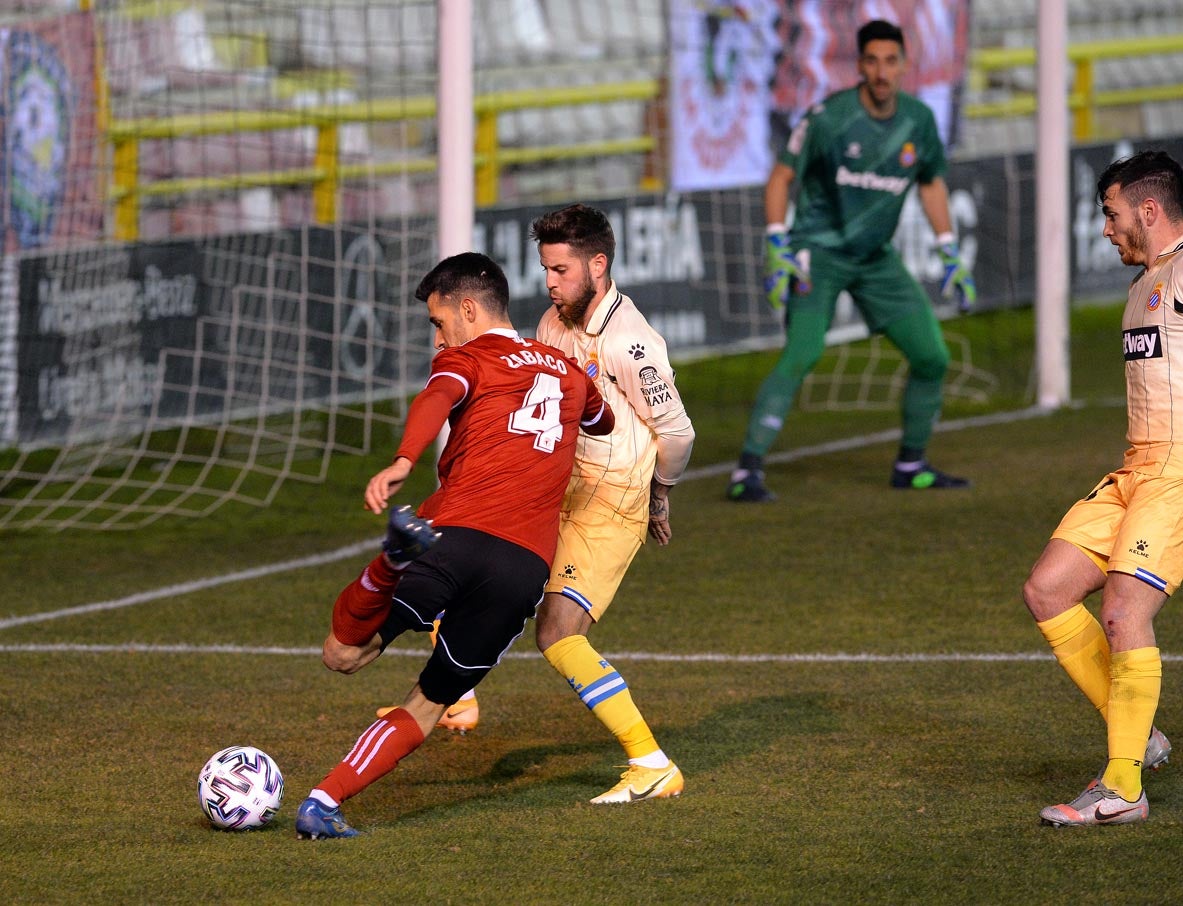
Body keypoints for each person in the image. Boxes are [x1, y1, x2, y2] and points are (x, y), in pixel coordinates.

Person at [294, 251, 614, 839]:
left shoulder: (469, 359)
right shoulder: (568, 372)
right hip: (522, 570)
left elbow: (436, 399)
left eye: (440, 324)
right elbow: (603, 422)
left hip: (455, 536)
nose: (440, 341)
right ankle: (322, 802)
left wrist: (401, 461)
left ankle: (392, 563)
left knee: (344, 653)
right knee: (430, 702)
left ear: (469, 309)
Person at [390, 204, 696, 803]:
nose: (550, 283)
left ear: (598, 265)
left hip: (610, 505)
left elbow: (678, 433)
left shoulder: (632, 343)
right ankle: (454, 700)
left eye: (561, 270)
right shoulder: (554, 324)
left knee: (558, 633)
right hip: (563, 489)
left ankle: (651, 763)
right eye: (546, 269)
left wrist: (660, 497)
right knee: (468, 554)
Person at [727, 18, 975, 503]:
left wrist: (948, 246)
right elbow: (780, 178)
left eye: (890, 61)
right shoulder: (829, 118)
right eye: (872, 61)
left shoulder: (918, 121)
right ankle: (746, 471)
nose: (882, 71)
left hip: (875, 258)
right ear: (859, 65)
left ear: (904, 65)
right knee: (803, 352)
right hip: (817, 253)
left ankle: (910, 464)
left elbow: (929, 182)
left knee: (933, 356)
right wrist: (778, 242)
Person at [1024, 149, 1183, 827]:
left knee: (1123, 612)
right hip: (1133, 468)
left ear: (1148, 210)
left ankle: (1122, 788)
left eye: (1110, 213)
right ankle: (1137, 734)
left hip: (1176, 470)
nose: (1104, 228)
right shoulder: (1145, 282)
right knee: (1047, 588)